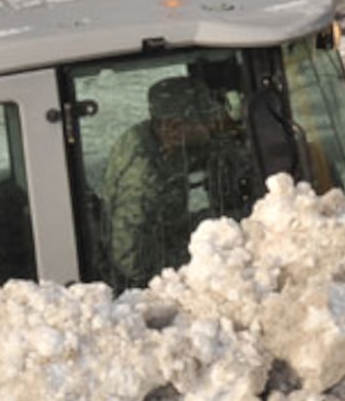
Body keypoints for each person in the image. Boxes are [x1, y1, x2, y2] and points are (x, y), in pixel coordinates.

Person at [100, 75, 251, 288]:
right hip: (146, 278)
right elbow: (131, 262)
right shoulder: (142, 175)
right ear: (174, 127)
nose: (213, 126)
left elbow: (210, 150)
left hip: (167, 233)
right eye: (205, 121)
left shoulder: (164, 137)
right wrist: (203, 259)